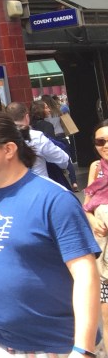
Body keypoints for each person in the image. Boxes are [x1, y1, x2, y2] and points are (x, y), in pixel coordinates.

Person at [0, 110, 103, 358]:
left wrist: (83, 349)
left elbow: (85, 274)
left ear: (9, 149)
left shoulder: (54, 199)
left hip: (55, 349)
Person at [82, 121, 108, 331]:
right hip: (104, 253)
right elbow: (86, 204)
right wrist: (92, 220)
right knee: (107, 319)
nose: (105, 145)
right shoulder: (96, 167)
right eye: (100, 141)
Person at [6, 101, 70, 180]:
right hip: (38, 184)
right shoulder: (36, 137)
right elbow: (62, 159)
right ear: (27, 117)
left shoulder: (0, 139)